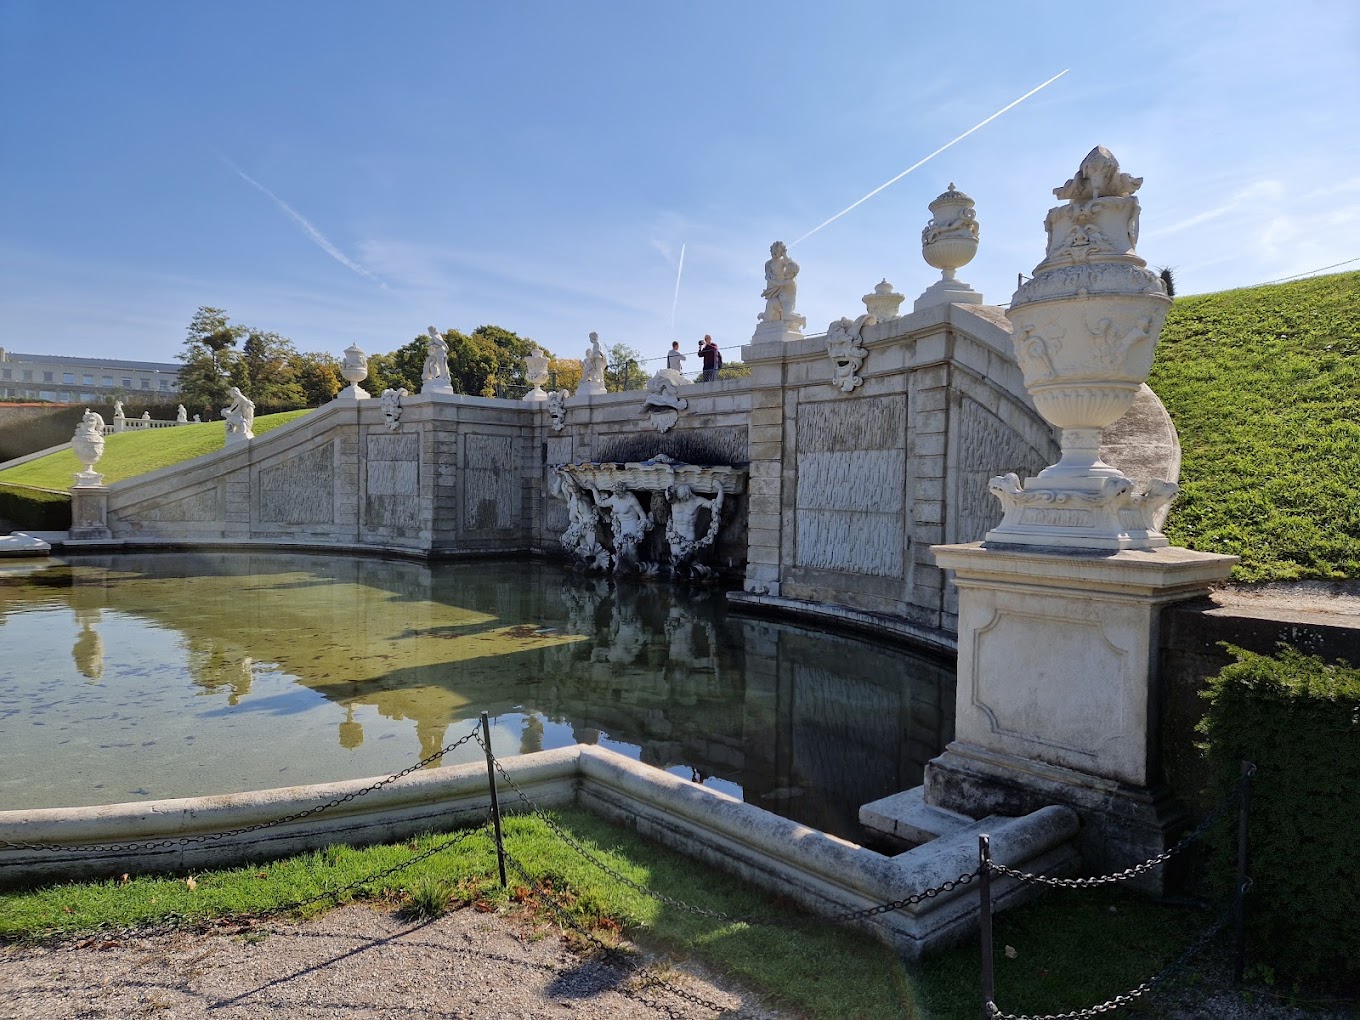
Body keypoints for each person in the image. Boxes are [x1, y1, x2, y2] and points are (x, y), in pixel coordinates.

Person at [759, 240, 800, 323]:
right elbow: (768, 274)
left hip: (783, 286)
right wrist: (770, 278)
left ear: (781, 252)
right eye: (773, 251)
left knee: (783, 307)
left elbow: (793, 267)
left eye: (777, 251)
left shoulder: (783, 261)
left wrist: (785, 255)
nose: (775, 253)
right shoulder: (768, 263)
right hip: (773, 287)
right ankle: (770, 317)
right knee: (771, 304)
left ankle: (791, 317)